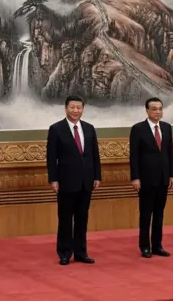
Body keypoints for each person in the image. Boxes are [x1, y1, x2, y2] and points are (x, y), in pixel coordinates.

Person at [46, 95, 101, 266]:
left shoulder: (89, 128)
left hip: (86, 181)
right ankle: (64, 252)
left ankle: (80, 252)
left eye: (79, 107)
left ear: (83, 109)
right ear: (66, 108)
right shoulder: (56, 129)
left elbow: (95, 155)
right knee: (65, 219)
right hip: (66, 181)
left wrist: (97, 176)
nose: (76, 110)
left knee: (82, 218)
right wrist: (53, 179)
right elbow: (51, 157)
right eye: (72, 107)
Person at [129, 97, 173, 258]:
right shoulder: (138, 129)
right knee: (146, 213)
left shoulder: (167, 128)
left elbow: (169, 153)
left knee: (159, 214)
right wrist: (135, 177)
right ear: (147, 111)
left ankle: (157, 245)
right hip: (146, 178)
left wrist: (171, 174)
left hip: (163, 178)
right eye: (154, 109)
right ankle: (144, 246)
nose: (158, 112)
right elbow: (133, 156)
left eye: (160, 109)